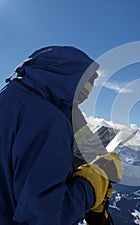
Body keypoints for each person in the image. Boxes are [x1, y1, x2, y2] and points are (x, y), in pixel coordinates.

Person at [0, 46, 122, 225]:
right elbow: (46, 215)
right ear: (65, 74)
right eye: (87, 80)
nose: (89, 91)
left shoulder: (10, 99)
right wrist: (93, 183)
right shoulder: (47, 118)